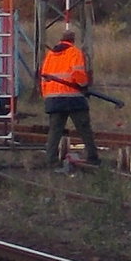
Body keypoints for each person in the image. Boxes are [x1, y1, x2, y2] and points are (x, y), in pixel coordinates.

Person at [40, 28, 101, 167]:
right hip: (73, 98)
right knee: (84, 129)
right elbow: (78, 75)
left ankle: (51, 160)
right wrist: (84, 86)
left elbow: (43, 78)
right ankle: (92, 157)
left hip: (53, 99)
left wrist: (47, 96)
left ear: (61, 39)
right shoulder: (75, 53)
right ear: (73, 40)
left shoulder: (50, 55)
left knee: (54, 131)